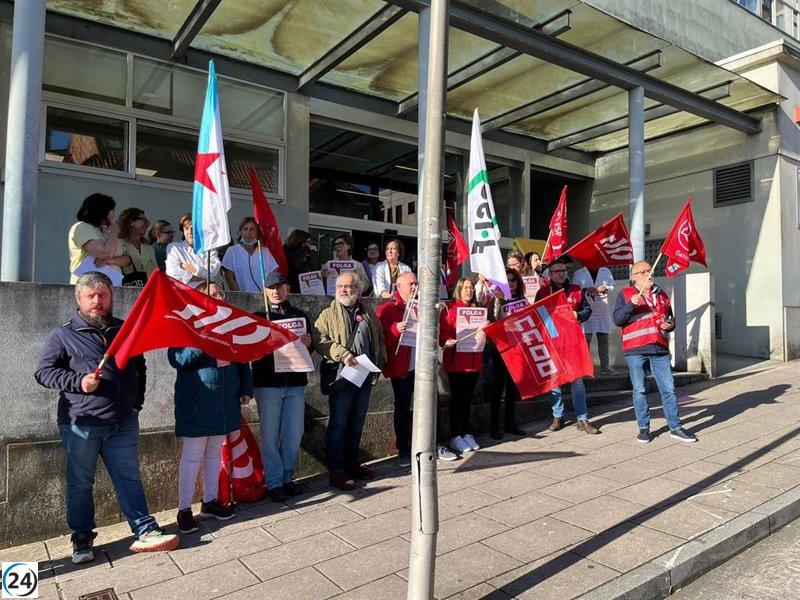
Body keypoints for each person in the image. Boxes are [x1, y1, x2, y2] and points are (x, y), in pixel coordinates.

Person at [34, 272, 179, 564]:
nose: (97, 302)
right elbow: (43, 372)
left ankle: (145, 530)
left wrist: (136, 405)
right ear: (79, 299)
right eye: (91, 296)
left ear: (111, 297)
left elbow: (140, 368)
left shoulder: (124, 329)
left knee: (129, 478)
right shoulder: (63, 334)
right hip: (82, 424)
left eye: (103, 295)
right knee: (80, 484)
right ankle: (82, 539)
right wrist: (78, 382)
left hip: (123, 423)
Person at [167, 282, 254, 533]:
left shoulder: (229, 322)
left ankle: (211, 500)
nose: (219, 297)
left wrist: (245, 388)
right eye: (213, 294)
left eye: (220, 293)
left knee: (215, 452)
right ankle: (184, 510)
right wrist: (203, 338)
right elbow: (178, 359)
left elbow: (241, 357)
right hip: (197, 400)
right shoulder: (185, 323)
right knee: (192, 455)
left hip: (225, 400)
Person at [314, 272, 386, 490]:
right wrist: (343, 354)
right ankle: (336, 472)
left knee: (357, 423)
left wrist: (380, 358)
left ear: (358, 289)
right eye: (339, 286)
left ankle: (352, 464)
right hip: (341, 377)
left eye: (348, 286)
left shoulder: (369, 313)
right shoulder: (327, 314)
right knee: (338, 424)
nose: (343, 290)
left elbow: (379, 337)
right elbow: (320, 340)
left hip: (364, 375)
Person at [613, 261, 697, 443]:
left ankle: (675, 427)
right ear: (634, 277)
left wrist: (670, 324)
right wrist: (630, 306)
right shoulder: (625, 294)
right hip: (635, 349)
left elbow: (670, 319)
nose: (649, 274)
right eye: (644, 272)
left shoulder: (662, 295)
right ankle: (644, 428)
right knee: (640, 389)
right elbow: (618, 320)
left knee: (668, 389)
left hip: (659, 348)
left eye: (650, 270)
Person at [251, 273, 314, 501]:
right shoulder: (258, 317)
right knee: (269, 437)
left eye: (279, 287)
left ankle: (288, 477)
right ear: (265, 291)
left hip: (295, 384)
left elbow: (311, 347)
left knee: (293, 434)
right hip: (267, 384)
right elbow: (250, 350)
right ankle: (274, 482)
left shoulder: (300, 315)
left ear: (288, 288)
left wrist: (308, 343)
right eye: (270, 287)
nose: (276, 291)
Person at [536, 256, 599, 435]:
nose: (562, 274)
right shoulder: (543, 293)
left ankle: (582, 418)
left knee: (577, 381)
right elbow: (537, 315)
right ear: (550, 274)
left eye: (564, 271)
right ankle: (558, 415)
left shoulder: (576, 290)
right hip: (552, 342)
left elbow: (587, 311)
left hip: (572, 342)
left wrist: (577, 315)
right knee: (554, 382)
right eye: (557, 271)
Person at [376, 271, 418, 468]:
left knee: (426, 407)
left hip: (422, 367)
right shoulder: (387, 309)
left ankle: (426, 444)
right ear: (398, 287)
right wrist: (394, 330)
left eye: (416, 283)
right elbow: (379, 339)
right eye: (410, 284)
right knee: (402, 408)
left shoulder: (422, 307)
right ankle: (403, 449)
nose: (414, 287)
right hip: (402, 369)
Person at [439, 277, 484, 455]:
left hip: (474, 361)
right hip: (457, 362)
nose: (469, 290)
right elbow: (443, 331)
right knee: (457, 400)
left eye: (471, 287)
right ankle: (455, 435)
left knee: (467, 400)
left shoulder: (477, 309)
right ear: (458, 289)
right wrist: (446, 340)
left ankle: (466, 432)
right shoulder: (450, 309)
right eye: (466, 287)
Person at [486, 269, 526, 439]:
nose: (511, 282)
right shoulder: (495, 300)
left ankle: (510, 422)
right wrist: (498, 300)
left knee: (512, 388)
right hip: (500, 350)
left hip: (517, 349)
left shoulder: (523, 301)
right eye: (507, 280)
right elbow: (490, 322)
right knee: (497, 388)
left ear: (518, 283)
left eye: (513, 280)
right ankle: (495, 424)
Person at [67, 193, 131, 284]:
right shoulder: (81, 227)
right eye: (112, 211)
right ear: (103, 212)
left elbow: (127, 259)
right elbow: (105, 253)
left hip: (112, 285)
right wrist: (114, 231)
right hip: (88, 285)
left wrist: (110, 261)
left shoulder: (105, 230)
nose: (114, 215)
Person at [573, 264, 617, 375]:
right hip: (587, 309)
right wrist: (585, 289)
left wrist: (605, 288)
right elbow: (573, 290)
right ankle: (586, 368)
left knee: (603, 339)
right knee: (586, 340)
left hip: (602, 309)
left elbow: (613, 286)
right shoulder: (578, 273)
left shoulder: (605, 271)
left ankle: (605, 366)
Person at [222, 217, 279, 292]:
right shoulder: (232, 251)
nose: (248, 232)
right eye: (245, 229)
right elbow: (229, 278)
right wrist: (239, 297)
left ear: (257, 233)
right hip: (242, 298)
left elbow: (273, 275)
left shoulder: (265, 251)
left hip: (263, 299)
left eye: (252, 229)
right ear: (240, 232)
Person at [165, 213, 222, 288]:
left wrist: (191, 268)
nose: (190, 232)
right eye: (186, 228)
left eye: (193, 228)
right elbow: (173, 275)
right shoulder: (174, 248)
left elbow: (214, 272)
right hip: (183, 295)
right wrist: (203, 276)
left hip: (205, 295)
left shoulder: (210, 249)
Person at [117, 208, 159, 282]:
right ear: (130, 222)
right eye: (143, 220)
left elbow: (156, 273)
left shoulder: (149, 248)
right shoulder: (120, 245)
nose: (147, 224)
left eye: (147, 221)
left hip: (149, 289)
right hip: (129, 290)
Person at [284, 229, 321, 293]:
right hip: (294, 285)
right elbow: (296, 265)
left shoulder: (303, 252)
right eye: (307, 242)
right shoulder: (292, 252)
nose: (309, 244)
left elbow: (315, 268)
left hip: (303, 286)